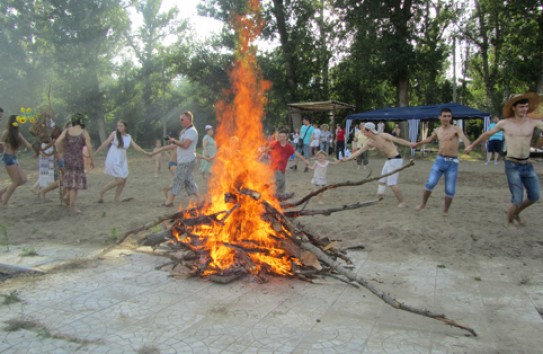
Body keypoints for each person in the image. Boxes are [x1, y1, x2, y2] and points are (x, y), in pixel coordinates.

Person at [465, 92, 542, 226]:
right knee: (517, 199)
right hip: (512, 165)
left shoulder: (533, 122)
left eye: (526, 106)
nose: (524, 109)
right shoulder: (505, 123)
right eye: (521, 107)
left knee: (534, 196)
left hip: (527, 165)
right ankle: (509, 223)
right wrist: (471, 145)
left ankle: (517, 213)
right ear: (514, 108)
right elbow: (487, 134)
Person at [412, 107, 471, 214]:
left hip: (452, 162)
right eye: (444, 116)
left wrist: (468, 146)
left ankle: (445, 210)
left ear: (451, 117)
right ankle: (423, 204)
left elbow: (465, 138)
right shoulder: (437, 130)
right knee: (430, 183)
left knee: (450, 189)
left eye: (449, 116)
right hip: (439, 160)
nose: (446, 118)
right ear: (440, 117)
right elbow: (429, 139)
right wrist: (417, 144)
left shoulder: (456, 129)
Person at [343, 122, 413, 207]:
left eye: (364, 131)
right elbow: (359, 151)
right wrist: (348, 158)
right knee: (382, 180)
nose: (363, 133)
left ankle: (402, 202)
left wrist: (411, 144)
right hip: (389, 161)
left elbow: (397, 140)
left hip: (396, 160)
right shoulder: (370, 142)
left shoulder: (383, 136)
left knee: (392, 183)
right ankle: (378, 198)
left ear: (370, 131)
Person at [151, 111, 201, 208]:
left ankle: (169, 202)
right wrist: (173, 141)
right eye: (180, 119)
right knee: (188, 180)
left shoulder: (192, 131)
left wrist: (174, 141)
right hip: (185, 160)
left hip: (186, 160)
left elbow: (185, 145)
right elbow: (180, 143)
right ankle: (200, 199)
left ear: (189, 119)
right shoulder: (186, 131)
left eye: (182, 119)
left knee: (177, 180)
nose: (180, 121)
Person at [95, 120, 150, 203]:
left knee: (124, 180)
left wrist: (145, 153)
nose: (119, 127)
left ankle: (116, 199)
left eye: (121, 126)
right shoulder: (114, 134)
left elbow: (136, 146)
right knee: (119, 180)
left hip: (122, 160)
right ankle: (102, 191)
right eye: (118, 126)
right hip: (113, 158)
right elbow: (105, 143)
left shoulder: (128, 136)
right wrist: (95, 153)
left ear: (125, 127)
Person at [54, 114, 94, 213]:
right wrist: (92, 160)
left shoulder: (67, 131)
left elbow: (57, 141)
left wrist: (60, 151)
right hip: (77, 159)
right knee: (75, 183)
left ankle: (67, 197)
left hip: (67, 158)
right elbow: (89, 147)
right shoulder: (84, 132)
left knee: (68, 178)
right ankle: (73, 205)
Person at [0, 115, 34, 206]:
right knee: (15, 181)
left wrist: (37, 149)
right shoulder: (6, 132)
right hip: (8, 158)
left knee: (23, 180)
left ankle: (1, 193)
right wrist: (4, 146)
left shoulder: (17, 133)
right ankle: (4, 203)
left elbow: (27, 143)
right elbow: (1, 143)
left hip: (14, 158)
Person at [266, 128, 308, 200]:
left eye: (283, 137)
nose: (281, 138)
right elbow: (266, 148)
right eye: (280, 137)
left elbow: (295, 153)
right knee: (280, 180)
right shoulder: (275, 143)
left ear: (286, 137)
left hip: (283, 167)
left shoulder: (288, 146)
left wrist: (304, 160)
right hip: (276, 165)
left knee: (283, 181)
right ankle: (277, 195)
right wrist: (258, 155)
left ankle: (281, 194)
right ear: (278, 137)